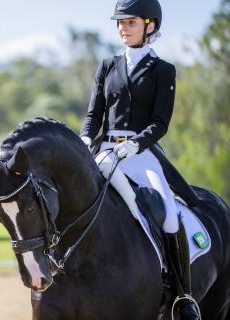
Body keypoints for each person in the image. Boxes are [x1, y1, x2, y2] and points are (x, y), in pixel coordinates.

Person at [79, 0, 200, 318]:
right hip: (105, 151)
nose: (122, 28)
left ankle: (182, 296)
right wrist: (83, 140)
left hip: (141, 154)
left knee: (170, 214)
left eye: (130, 22)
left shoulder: (163, 71)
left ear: (151, 25)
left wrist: (136, 145)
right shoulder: (107, 65)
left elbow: (160, 123)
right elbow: (94, 116)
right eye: (120, 23)